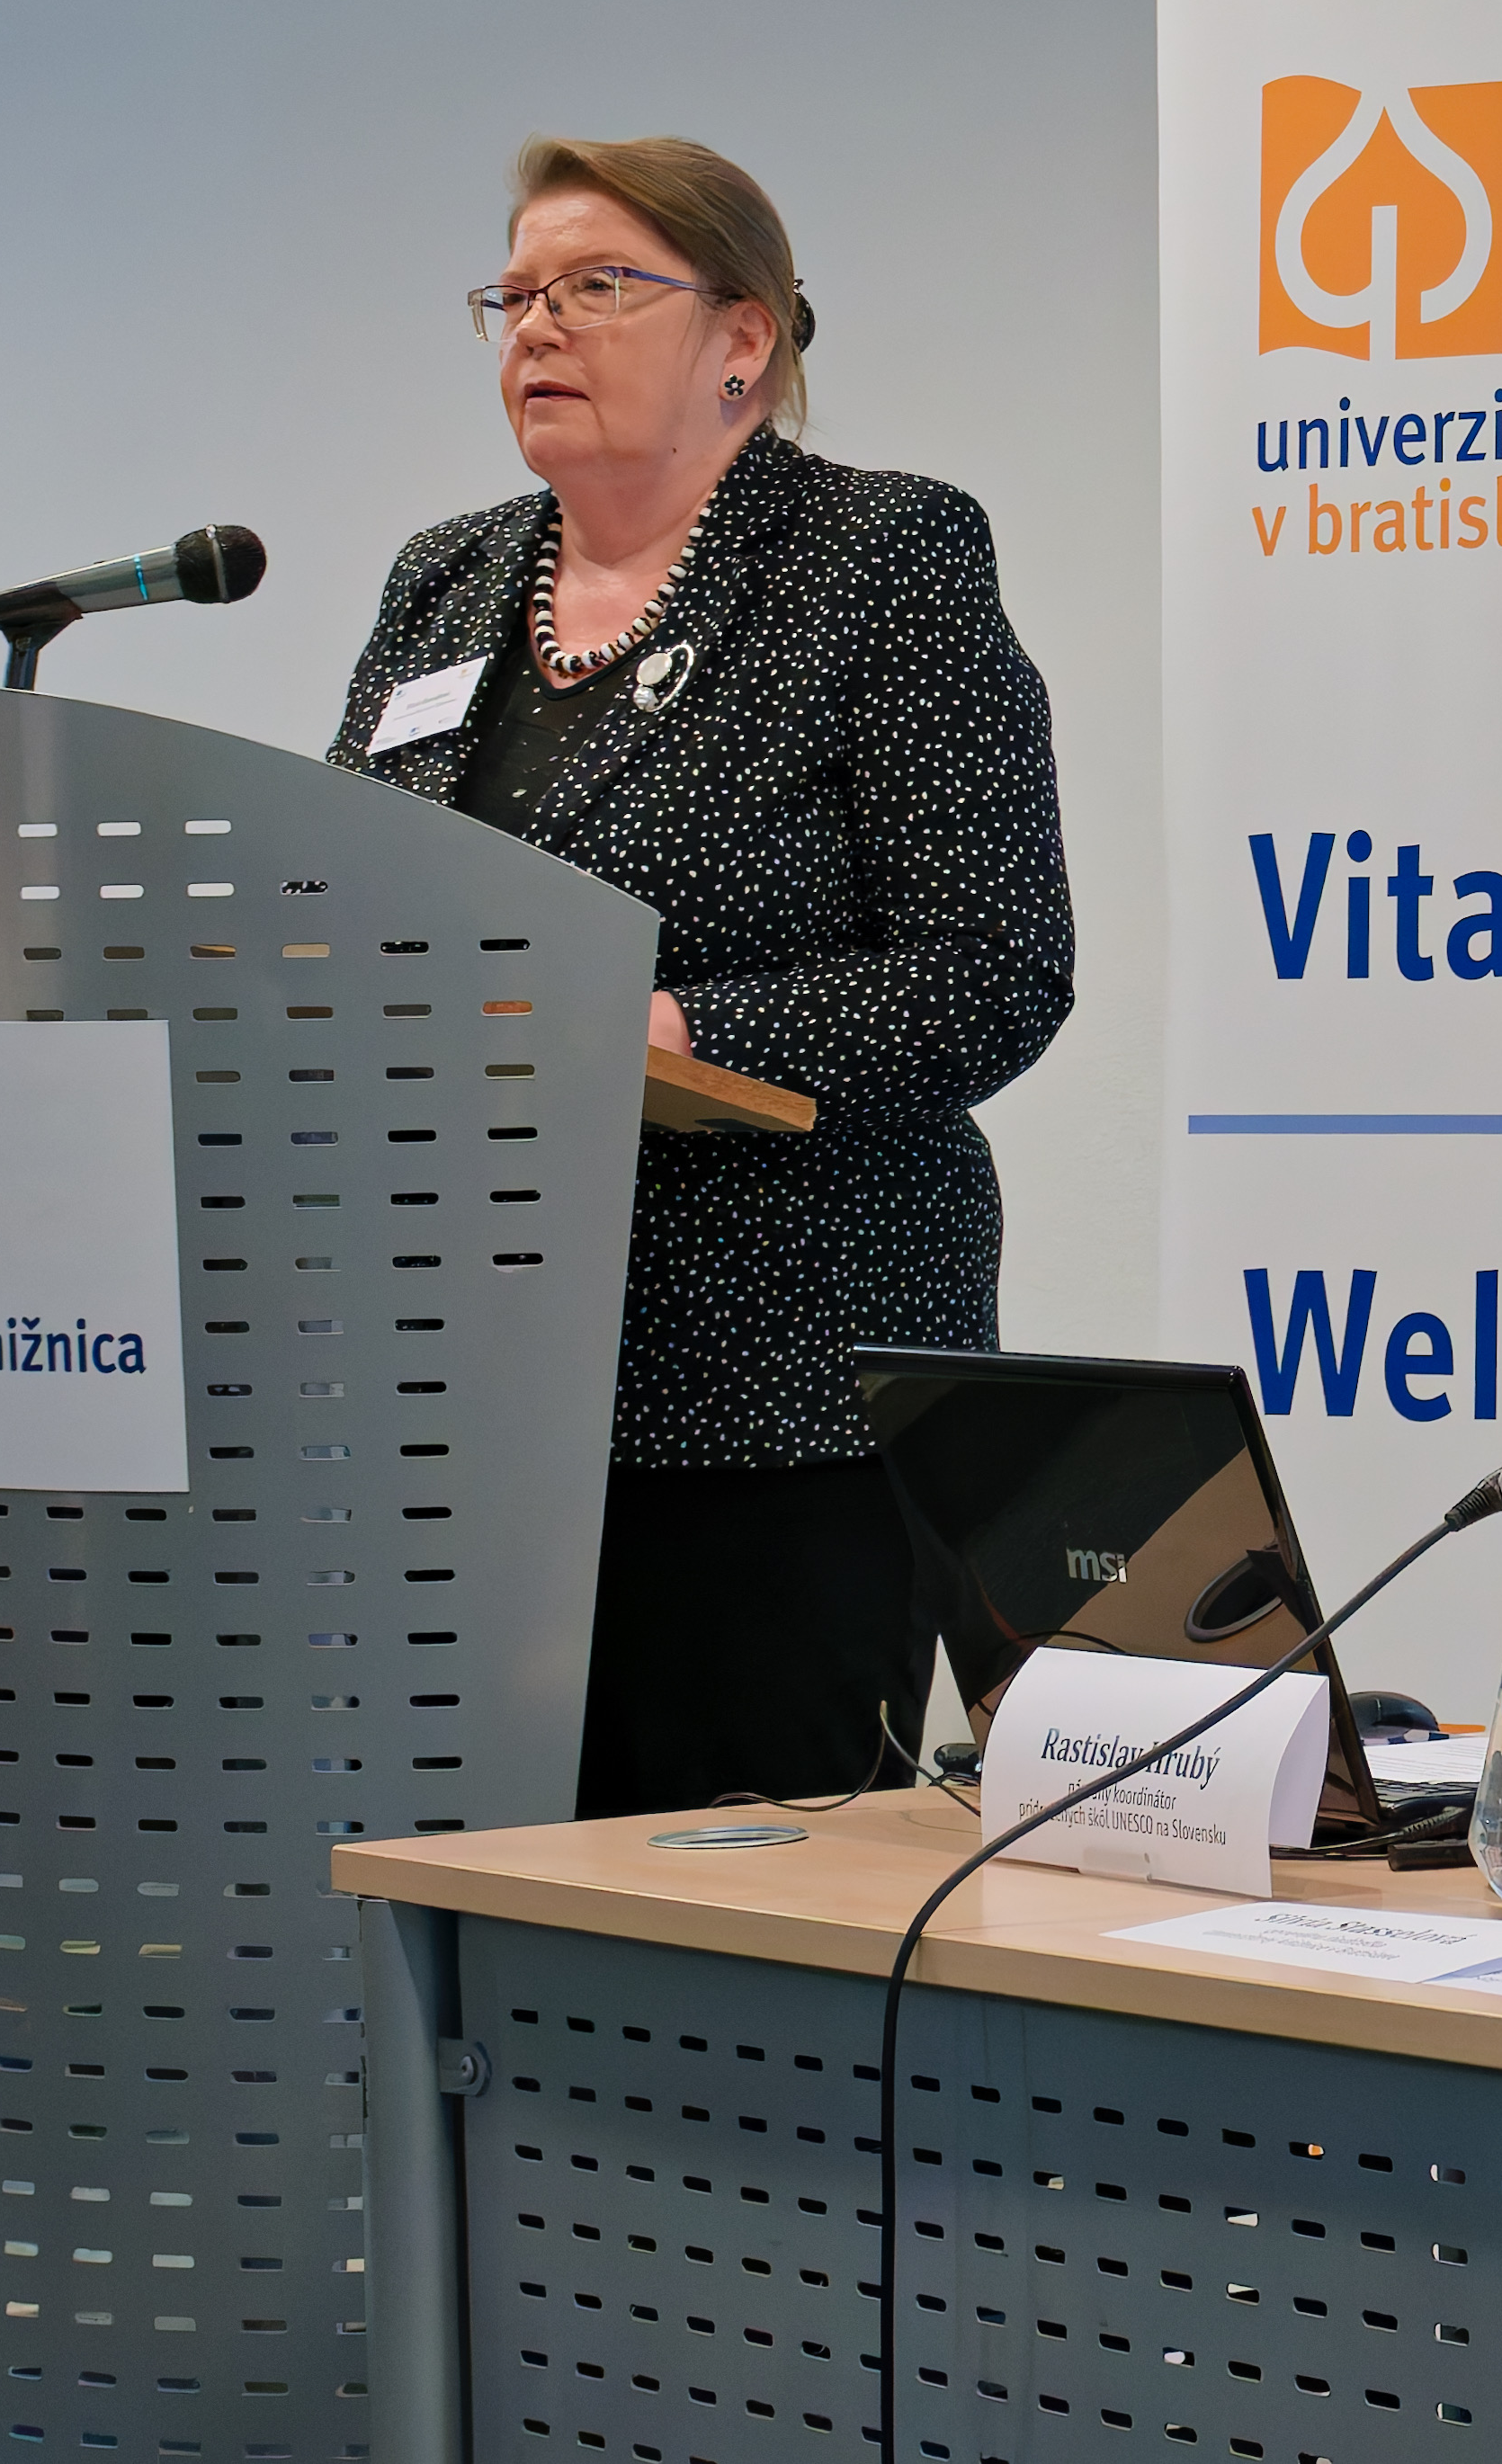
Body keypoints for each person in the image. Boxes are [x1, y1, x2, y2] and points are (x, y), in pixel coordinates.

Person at [328, 136, 1072, 1819]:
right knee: (471, 1886)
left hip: (773, 1394)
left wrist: (668, 1030)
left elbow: (995, 968)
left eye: (595, 285)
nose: (538, 324)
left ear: (744, 336)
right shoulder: (443, 584)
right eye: (514, 294)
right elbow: (354, 896)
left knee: (727, 1920)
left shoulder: (880, 559)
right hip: (471, 1387)